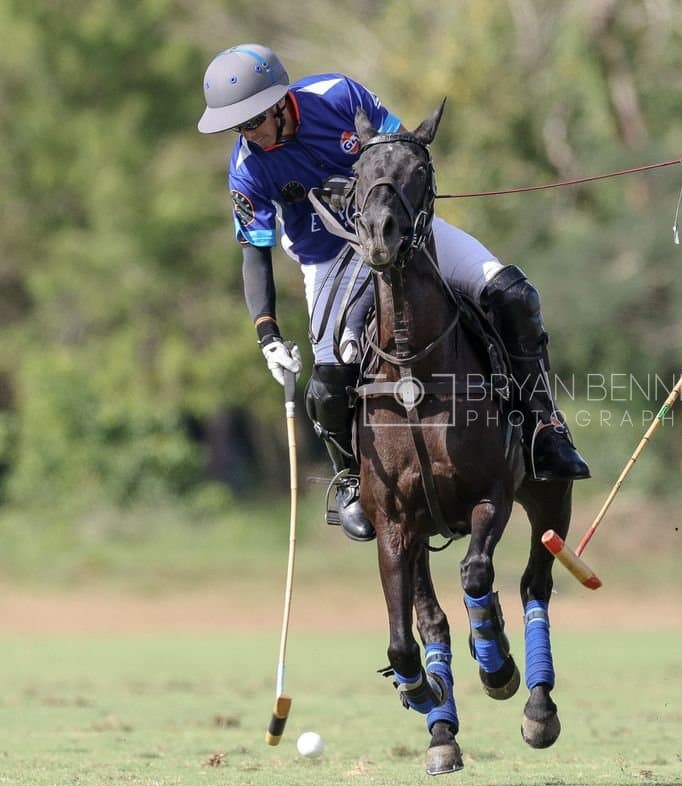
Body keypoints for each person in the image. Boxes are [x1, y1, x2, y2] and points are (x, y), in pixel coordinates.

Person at [197, 44, 590, 542]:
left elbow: (404, 149)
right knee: (328, 381)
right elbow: (255, 252)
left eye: (252, 121)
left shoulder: (337, 95)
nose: (246, 134)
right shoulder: (247, 168)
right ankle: (348, 480)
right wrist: (268, 333)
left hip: (407, 235)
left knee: (512, 294)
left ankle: (543, 429)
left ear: (279, 103)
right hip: (328, 259)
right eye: (238, 127)